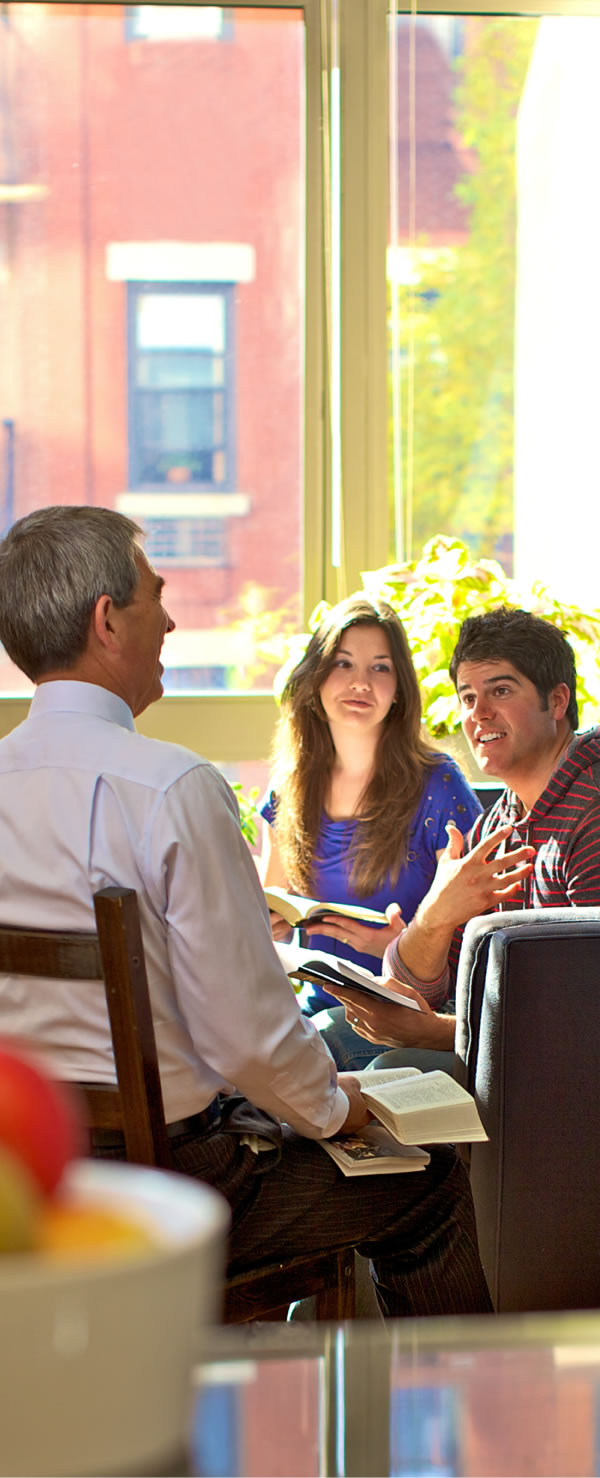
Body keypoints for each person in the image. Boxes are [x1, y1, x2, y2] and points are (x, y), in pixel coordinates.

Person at [0, 506, 493, 1317]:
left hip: (34, 1181)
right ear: (108, 618)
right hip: (176, 1187)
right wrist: (337, 1107)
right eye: (157, 594)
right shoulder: (172, 787)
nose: (170, 618)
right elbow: (245, 1035)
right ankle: (475, 1430)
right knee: (428, 1180)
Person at [330, 606, 600, 1060]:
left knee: (386, 1063)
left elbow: (581, 1018)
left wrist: (431, 1033)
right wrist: (436, 913)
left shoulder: (590, 816)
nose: (480, 714)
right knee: (328, 1032)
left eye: (501, 690)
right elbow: (410, 987)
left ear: (557, 701)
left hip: (567, 1073)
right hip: (511, 1044)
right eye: (468, 697)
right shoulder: (494, 825)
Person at [259, 593, 481, 1070]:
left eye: (380, 668)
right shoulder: (289, 788)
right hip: (313, 1012)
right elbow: (270, 905)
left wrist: (399, 951)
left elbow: (481, 939)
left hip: (404, 1014)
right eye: (343, 664)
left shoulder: (439, 786)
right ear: (314, 680)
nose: (360, 682)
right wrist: (271, 923)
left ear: (399, 688)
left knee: (290, 1067)